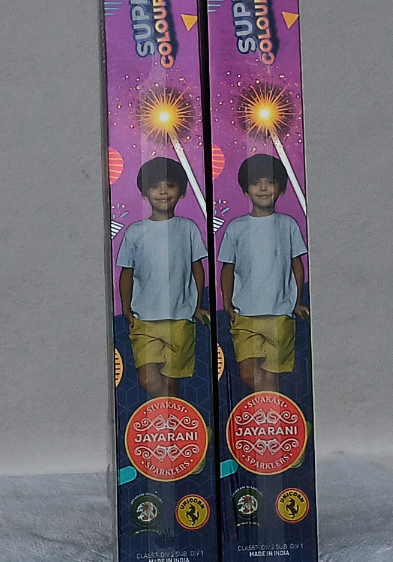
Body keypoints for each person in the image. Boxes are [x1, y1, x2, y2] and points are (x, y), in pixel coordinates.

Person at [117, 157, 209, 398]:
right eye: (155, 186)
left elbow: (197, 268)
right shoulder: (135, 232)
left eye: (170, 185)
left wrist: (197, 305)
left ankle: (173, 420)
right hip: (144, 318)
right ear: (144, 193)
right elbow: (126, 273)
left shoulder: (188, 228)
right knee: (147, 379)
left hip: (180, 317)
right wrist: (126, 307)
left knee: (172, 383)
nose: (163, 192)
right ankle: (167, 415)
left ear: (182, 192)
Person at [218, 154, 309, 392]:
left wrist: (297, 301)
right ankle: (266, 409)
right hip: (245, 314)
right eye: (256, 183)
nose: (263, 188)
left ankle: (268, 413)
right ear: (245, 190)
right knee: (249, 374)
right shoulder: (236, 228)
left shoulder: (288, 225)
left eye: (270, 182)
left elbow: (296, 264)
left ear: (281, 188)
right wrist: (227, 302)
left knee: (272, 377)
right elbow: (228, 268)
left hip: (280, 314)